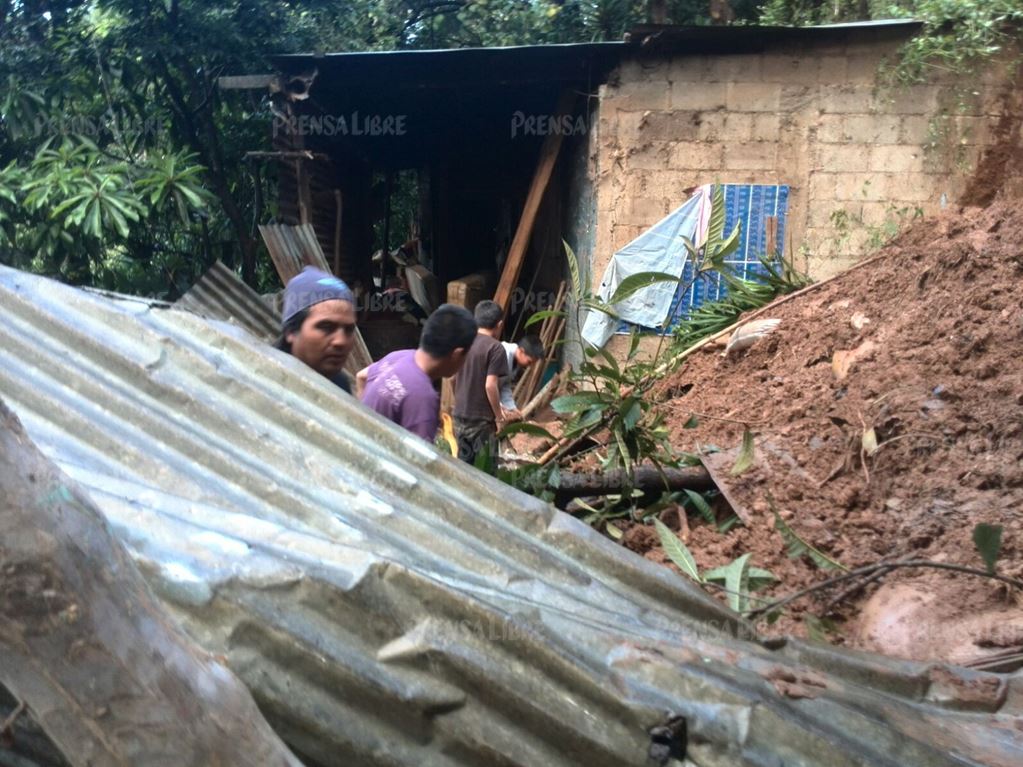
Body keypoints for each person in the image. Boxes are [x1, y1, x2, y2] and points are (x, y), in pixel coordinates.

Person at [356, 305, 477, 442]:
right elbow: (420, 460)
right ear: (457, 354)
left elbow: (361, 376)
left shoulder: (398, 357)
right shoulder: (422, 397)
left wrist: (363, 417)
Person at [274, 266, 357, 393]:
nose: (341, 341)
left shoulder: (340, 385)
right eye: (326, 327)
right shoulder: (263, 378)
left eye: (349, 330)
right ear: (290, 331)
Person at [452, 300, 509, 467]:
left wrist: (461, 400)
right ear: (499, 324)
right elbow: (490, 385)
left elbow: (452, 379)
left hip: (460, 416)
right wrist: (499, 417)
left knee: (463, 467)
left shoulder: (463, 342)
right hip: (482, 422)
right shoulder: (495, 348)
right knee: (486, 471)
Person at [499, 334, 545, 421]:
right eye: (529, 362)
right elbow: (488, 385)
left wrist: (511, 407)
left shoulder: (514, 361)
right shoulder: (501, 354)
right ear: (521, 351)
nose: (530, 366)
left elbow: (504, 385)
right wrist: (499, 407)